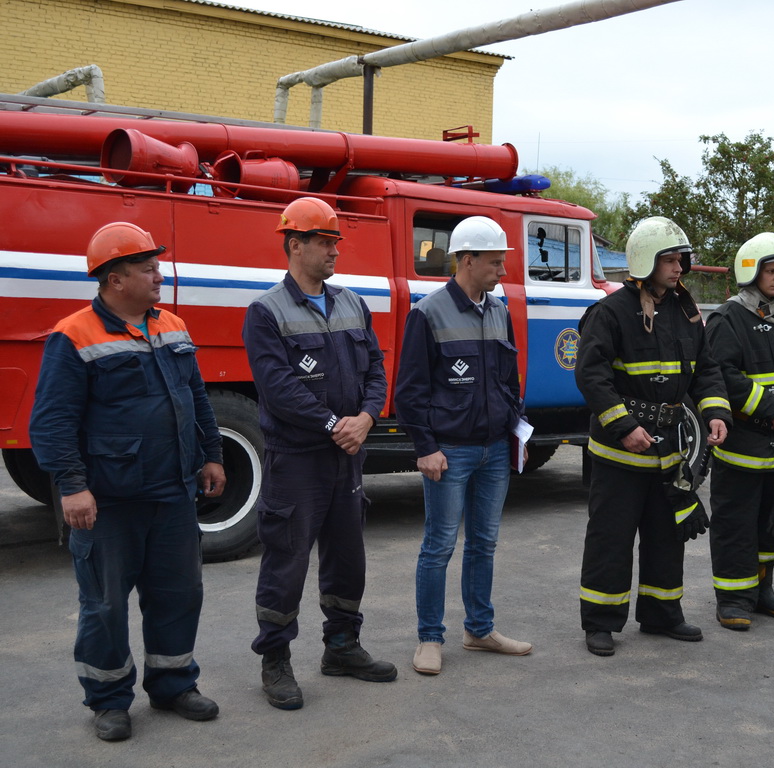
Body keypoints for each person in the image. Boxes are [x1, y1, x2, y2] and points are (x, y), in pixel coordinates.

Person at [29, 222, 225, 742]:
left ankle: (174, 684)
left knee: (178, 594)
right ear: (116, 279)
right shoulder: (74, 335)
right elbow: (51, 422)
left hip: (174, 493)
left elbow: (197, 397)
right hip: (109, 502)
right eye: (148, 269)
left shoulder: (173, 326)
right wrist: (72, 486)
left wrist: (212, 455)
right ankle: (109, 700)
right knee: (106, 605)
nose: (159, 276)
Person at [243, 197, 395, 710]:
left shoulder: (353, 303)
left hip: (346, 457)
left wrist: (368, 419)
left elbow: (376, 370)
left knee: (348, 557)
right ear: (295, 244)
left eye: (335, 242)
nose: (334, 250)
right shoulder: (266, 312)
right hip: (298, 460)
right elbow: (278, 387)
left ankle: (343, 647)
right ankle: (276, 660)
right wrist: (337, 425)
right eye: (325, 241)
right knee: (286, 562)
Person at [575, 216, 731, 657]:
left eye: (681, 258)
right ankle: (601, 621)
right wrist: (623, 427)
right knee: (611, 537)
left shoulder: (686, 312)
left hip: (669, 451)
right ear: (645, 261)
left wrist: (717, 411)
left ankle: (662, 614)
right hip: (620, 453)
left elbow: (707, 370)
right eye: (669, 259)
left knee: (667, 534)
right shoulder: (610, 312)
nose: (679, 266)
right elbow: (591, 375)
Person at [394, 215, 533, 676]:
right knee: (439, 546)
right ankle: (429, 638)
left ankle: (479, 629)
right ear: (467, 259)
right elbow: (410, 391)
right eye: (495, 262)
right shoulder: (428, 312)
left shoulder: (498, 311)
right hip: (449, 452)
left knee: (484, 543)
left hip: (495, 448)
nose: (502, 270)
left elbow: (509, 382)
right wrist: (426, 447)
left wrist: (519, 431)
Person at [704, 233, 774, 631]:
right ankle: (733, 598)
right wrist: (767, 406)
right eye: (771, 271)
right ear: (750, 273)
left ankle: (762, 590)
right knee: (736, 523)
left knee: (772, 518)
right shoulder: (726, 318)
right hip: (741, 442)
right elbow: (719, 374)